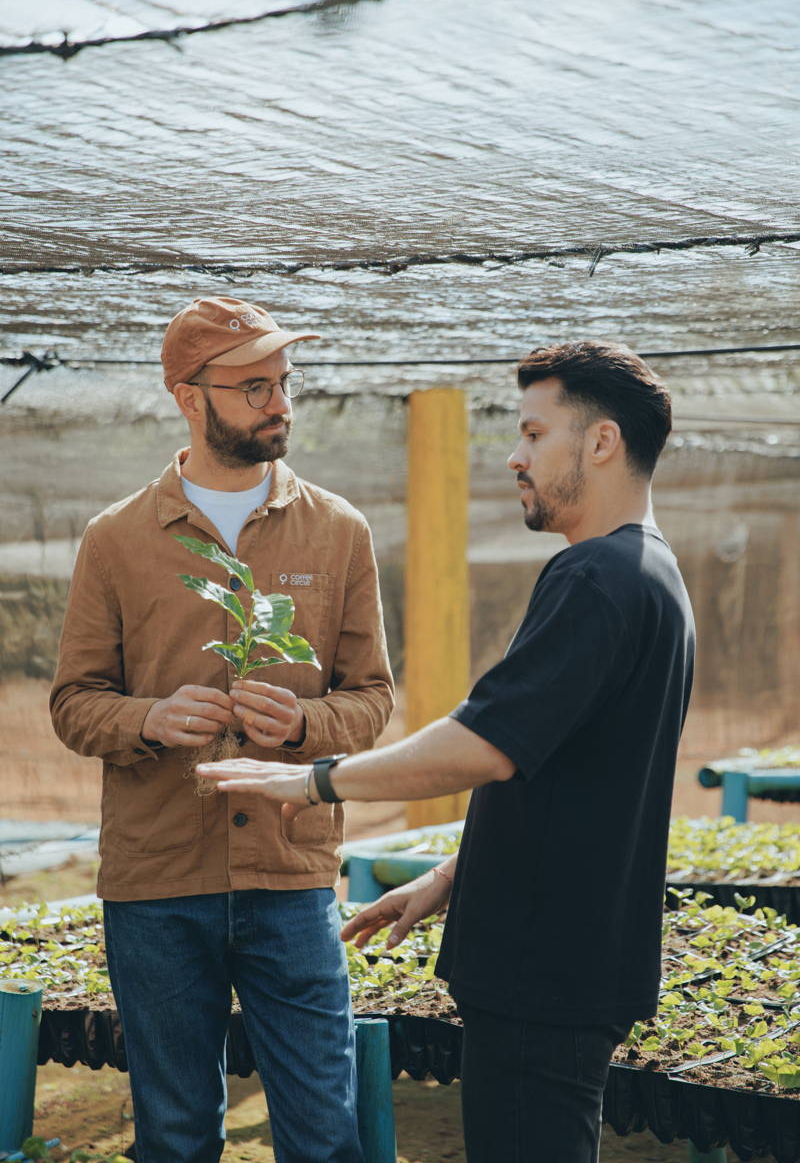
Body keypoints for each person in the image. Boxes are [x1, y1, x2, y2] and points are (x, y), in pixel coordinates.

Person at [197, 340, 696, 1163]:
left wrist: (314, 780)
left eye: (535, 435)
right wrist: (450, 878)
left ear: (601, 442)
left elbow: (487, 744)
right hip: (573, 958)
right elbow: (582, 779)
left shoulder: (597, 579)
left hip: (543, 974)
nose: (515, 456)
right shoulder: (651, 576)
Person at [50, 295, 394, 1163]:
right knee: (173, 1135)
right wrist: (151, 720)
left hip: (291, 876)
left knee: (323, 1132)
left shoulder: (339, 531)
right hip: (158, 881)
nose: (278, 403)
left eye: (283, 383)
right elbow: (74, 702)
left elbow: (373, 697)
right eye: (252, 388)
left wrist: (307, 722)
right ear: (188, 397)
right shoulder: (117, 539)